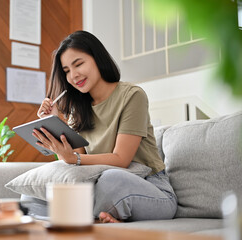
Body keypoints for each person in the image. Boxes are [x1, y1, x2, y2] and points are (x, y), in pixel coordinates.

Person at [32, 30, 177, 223]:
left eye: (79, 64)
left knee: (111, 180)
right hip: (101, 186)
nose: (73, 75)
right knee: (35, 196)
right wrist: (55, 123)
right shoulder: (79, 110)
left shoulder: (132, 96)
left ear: (97, 58)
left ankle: (87, 218)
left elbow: (121, 159)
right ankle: (99, 219)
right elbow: (74, 164)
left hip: (150, 188)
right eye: (67, 71)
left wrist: (73, 159)